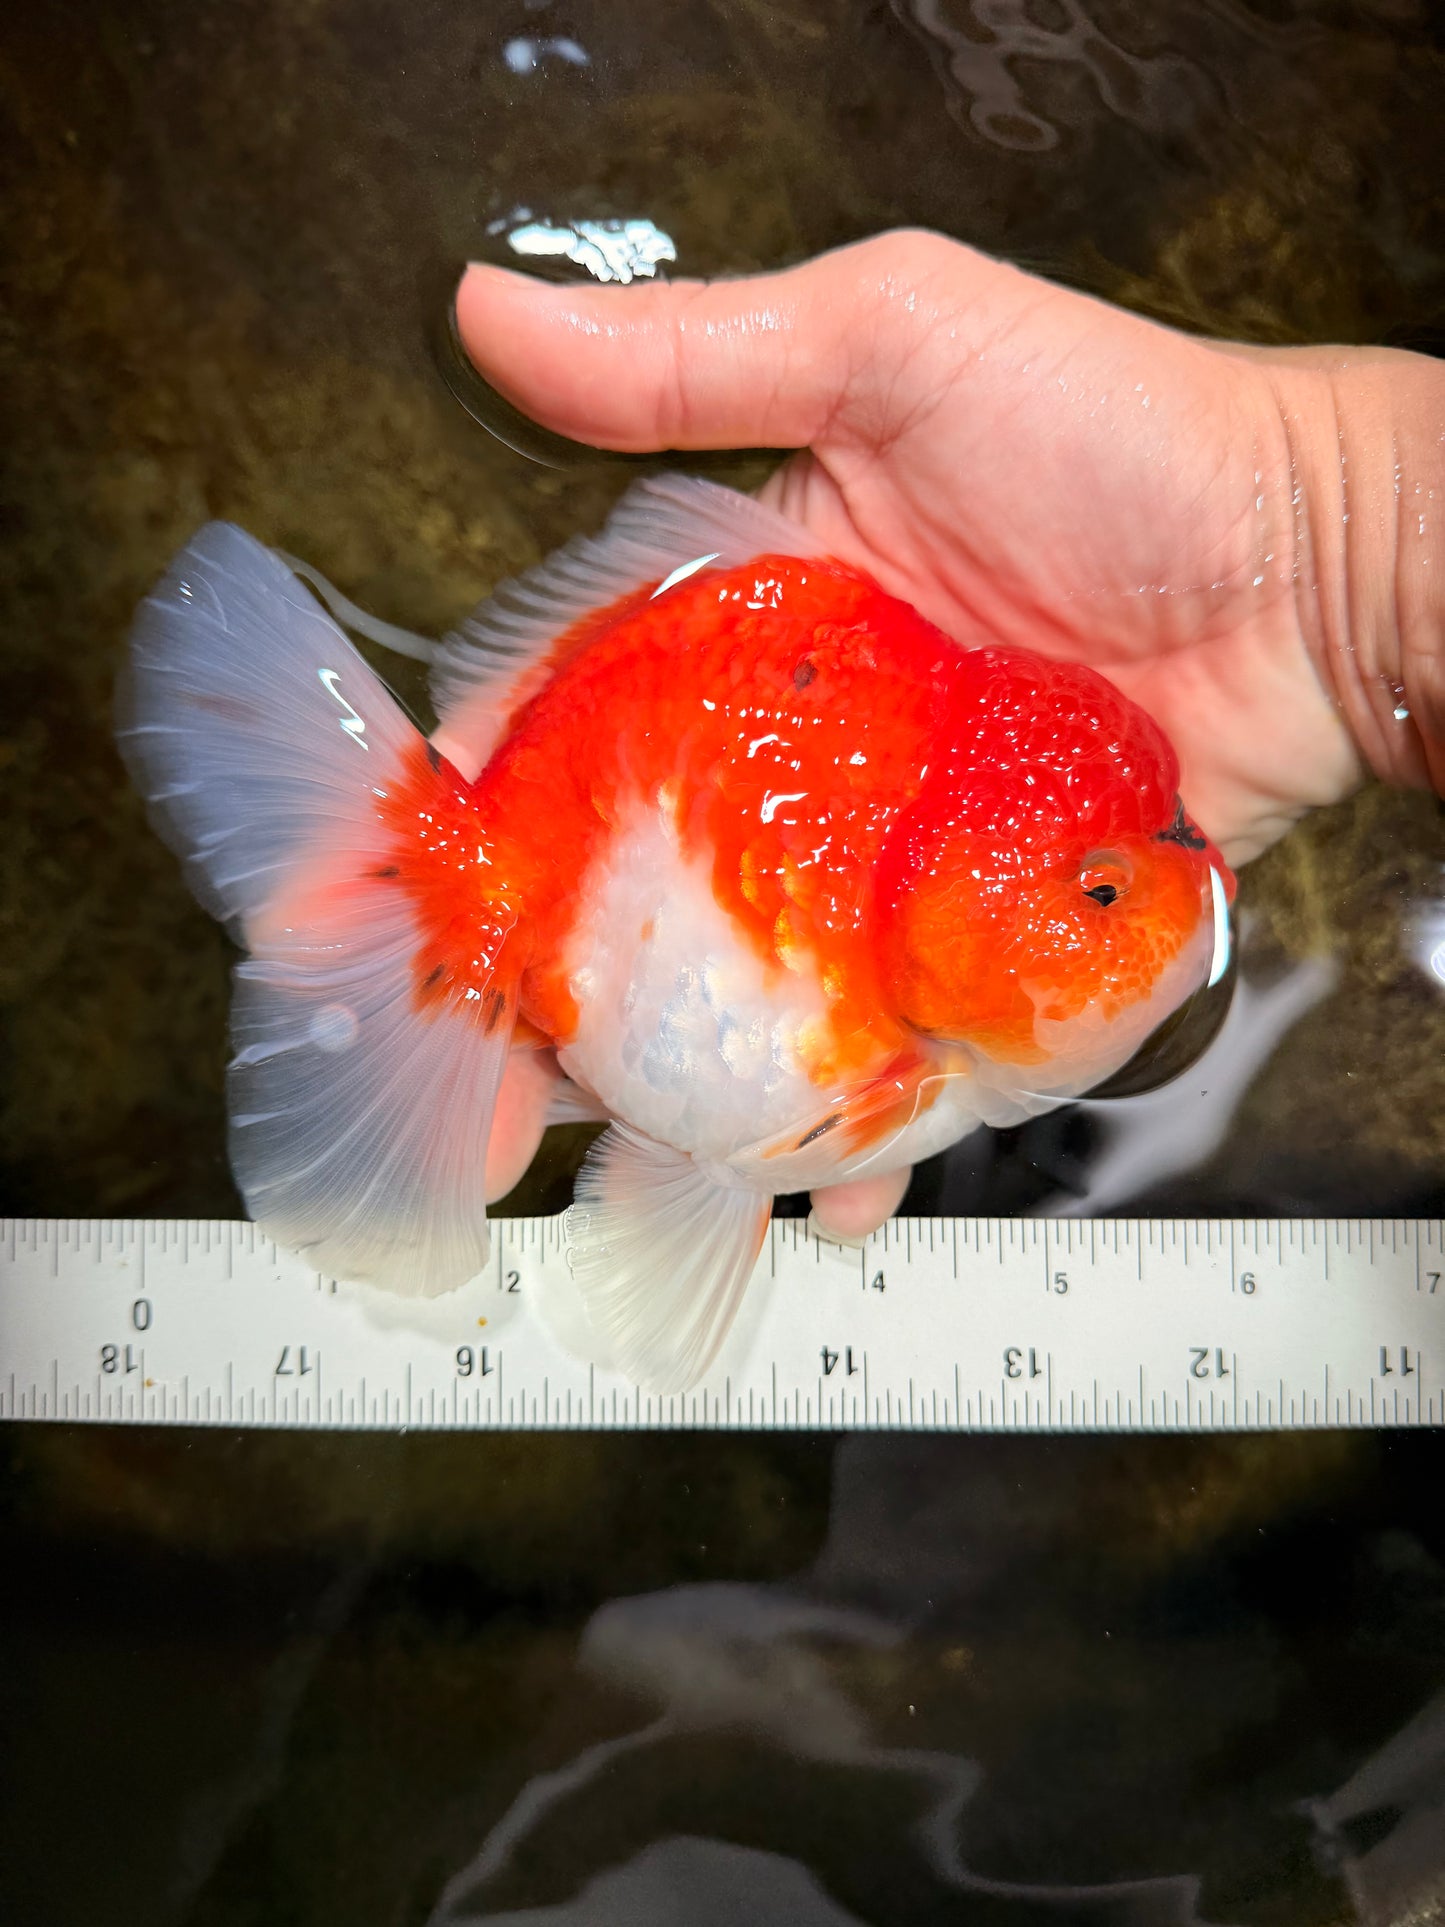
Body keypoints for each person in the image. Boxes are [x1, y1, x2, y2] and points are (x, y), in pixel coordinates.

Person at [451, 228, 1445, 1238]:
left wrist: (1345, 540)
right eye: (1098, 888)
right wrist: (1343, 546)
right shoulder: (891, 1050)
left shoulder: (927, 1023)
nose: (1209, 873)